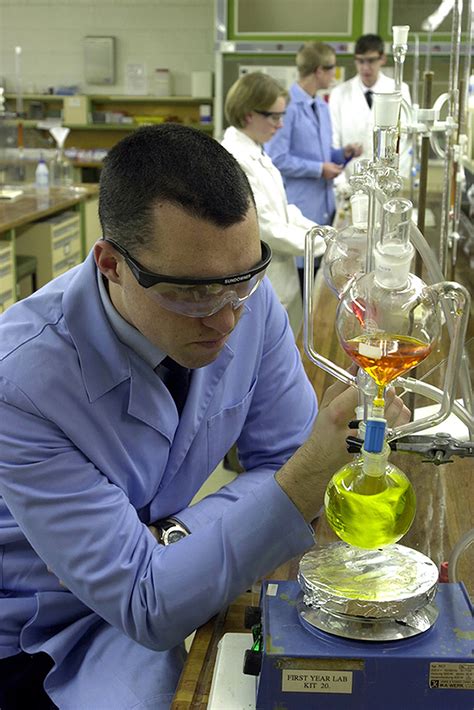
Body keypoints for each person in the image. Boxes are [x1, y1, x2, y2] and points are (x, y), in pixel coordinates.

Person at [0, 124, 409, 709]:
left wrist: (173, 537)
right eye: (190, 294)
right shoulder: (20, 383)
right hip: (39, 628)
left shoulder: (247, 298)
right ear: (111, 265)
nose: (225, 319)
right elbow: (146, 603)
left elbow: (280, 461)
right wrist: (301, 481)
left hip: (156, 586)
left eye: (242, 279)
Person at [221, 71, 325, 335]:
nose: (280, 124)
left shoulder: (256, 151)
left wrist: (321, 233)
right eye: (275, 116)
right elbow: (264, 227)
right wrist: (319, 244)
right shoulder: (236, 160)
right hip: (262, 281)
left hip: (279, 279)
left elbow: (283, 210)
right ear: (248, 115)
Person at [265, 42, 362, 294]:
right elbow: (277, 157)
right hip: (300, 209)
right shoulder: (286, 108)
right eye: (332, 70)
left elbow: (320, 154)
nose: (333, 76)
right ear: (319, 70)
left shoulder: (321, 106)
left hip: (324, 207)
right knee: (302, 286)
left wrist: (343, 154)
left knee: (319, 284)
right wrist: (319, 169)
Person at [329, 33, 412, 180]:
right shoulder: (339, 94)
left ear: (382, 59)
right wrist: (340, 183)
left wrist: (398, 178)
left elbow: (405, 137)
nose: (365, 67)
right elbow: (334, 139)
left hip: (387, 181)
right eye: (360, 61)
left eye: (371, 61)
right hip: (350, 180)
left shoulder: (399, 90)